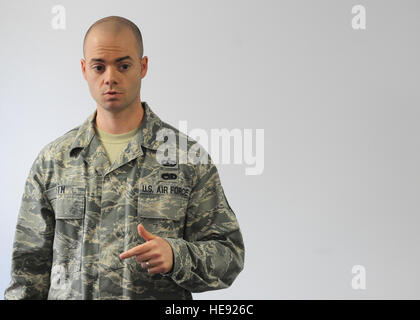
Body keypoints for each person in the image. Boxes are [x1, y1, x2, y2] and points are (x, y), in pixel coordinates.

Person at [4, 16, 244, 300]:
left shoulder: (186, 158)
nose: (110, 77)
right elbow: (28, 271)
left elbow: (228, 256)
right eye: (98, 66)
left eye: (123, 65)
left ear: (142, 67)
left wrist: (176, 255)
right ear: (84, 69)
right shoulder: (53, 161)